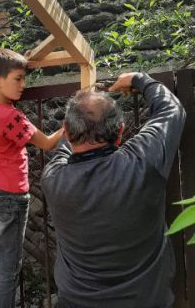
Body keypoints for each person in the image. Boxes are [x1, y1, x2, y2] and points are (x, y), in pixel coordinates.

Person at [42, 72, 186, 308]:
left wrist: (79, 114)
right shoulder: (141, 163)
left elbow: (63, 148)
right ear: (120, 132)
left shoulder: (53, 179)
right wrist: (140, 79)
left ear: (67, 131)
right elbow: (171, 110)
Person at [0, 48, 64, 308]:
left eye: (24, 78)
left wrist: (17, 61)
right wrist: (67, 125)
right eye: (18, 78)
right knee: (11, 266)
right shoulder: (12, 117)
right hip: (11, 196)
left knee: (3, 257)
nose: (24, 85)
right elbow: (46, 143)